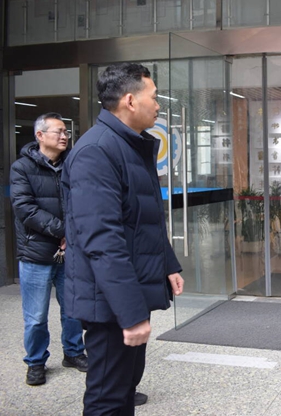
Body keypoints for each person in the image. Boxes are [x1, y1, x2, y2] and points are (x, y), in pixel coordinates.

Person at [62, 63, 184, 415]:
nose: (158, 105)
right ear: (130, 101)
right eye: (154, 97)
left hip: (128, 290)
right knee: (108, 399)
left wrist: (168, 264)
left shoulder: (129, 145)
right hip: (109, 303)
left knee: (125, 388)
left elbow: (143, 219)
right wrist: (131, 314)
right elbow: (103, 241)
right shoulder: (97, 151)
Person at [10, 113, 88, 386]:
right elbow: (25, 208)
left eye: (66, 131)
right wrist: (63, 231)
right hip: (36, 253)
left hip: (70, 253)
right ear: (40, 135)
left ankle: (74, 352)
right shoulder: (21, 167)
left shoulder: (73, 164)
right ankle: (35, 362)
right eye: (58, 131)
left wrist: (72, 233)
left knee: (73, 309)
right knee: (35, 316)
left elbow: (83, 201)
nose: (64, 136)